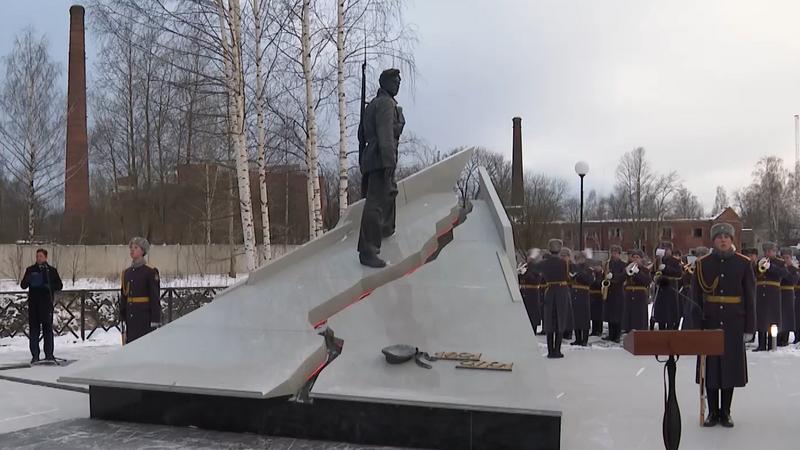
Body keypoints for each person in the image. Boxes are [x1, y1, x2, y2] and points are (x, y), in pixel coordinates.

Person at [688, 223, 755, 428]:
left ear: (732, 240)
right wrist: (695, 327)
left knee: (729, 368)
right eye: (719, 237)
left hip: (734, 323)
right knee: (711, 368)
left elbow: (750, 297)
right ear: (713, 240)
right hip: (710, 321)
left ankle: (725, 411)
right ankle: (712, 412)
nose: (723, 240)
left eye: (727, 237)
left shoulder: (743, 263)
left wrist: (749, 328)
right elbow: (695, 298)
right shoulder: (702, 264)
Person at [357, 68, 405, 268]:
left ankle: (386, 229)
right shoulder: (385, 104)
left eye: (399, 81)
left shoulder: (373, 105)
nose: (398, 84)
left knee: (389, 193)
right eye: (395, 81)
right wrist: (388, 160)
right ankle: (367, 251)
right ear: (384, 83)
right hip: (380, 158)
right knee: (376, 204)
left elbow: (361, 135)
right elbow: (386, 134)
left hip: (372, 158)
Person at [529, 239, 572, 358]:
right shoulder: (565, 263)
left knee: (549, 320)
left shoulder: (544, 263)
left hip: (549, 291)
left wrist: (532, 257)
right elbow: (578, 268)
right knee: (560, 319)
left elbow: (533, 267)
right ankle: (557, 350)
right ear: (560, 249)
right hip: (562, 291)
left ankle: (550, 351)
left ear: (549, 249)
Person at [20, 249, 63, 364]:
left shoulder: (51, 271)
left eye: (41, 256)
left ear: (45, 257)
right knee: (34, 330)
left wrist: (48, 286)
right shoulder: (30, 270)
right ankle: (35, 355)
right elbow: (23, 285)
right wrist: (29, 279)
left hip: (46, 304)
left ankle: (49, 354)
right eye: (37, 256)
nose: (38, 258)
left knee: (47, 329)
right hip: (34, 305)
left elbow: (59, 285)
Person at [120, 237, 161, 344]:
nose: (132, 250)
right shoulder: (126, 273)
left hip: (144, 318)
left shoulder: (150, 271)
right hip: (131, 318)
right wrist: (122, 315)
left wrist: (155, 320)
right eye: (131, 248)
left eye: (135, 247)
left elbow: (154, 297)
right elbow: (124, 296)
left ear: (143, 251)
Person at [754, 242, 787, 351]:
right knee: (761, 318)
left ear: (774, 251)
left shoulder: (780, 262)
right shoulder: (760, 261)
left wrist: (771, 267)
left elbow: (784, 274)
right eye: (766, 251)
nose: (768, 253)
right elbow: (754, 274)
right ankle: (761, 344)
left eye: (770, 251)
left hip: (773, 293)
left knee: (772, 318)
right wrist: (759, 267)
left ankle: (771, 343)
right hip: (760, 292)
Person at [652, 242, 684, 330]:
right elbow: (652, 272)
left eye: (667, 249)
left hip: (671, 288)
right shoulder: (657, 261)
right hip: (660, 288)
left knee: (670, 313)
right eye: (663, 249)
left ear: (670, 250)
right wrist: (655, 276)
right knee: (661, 314)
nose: (665, 251)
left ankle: (670, 330)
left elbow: (679, 273)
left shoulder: (675, 261)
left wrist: (666, 268)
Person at [621, 249, 651, 333]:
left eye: (637, 257)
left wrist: (638, 273)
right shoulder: (627, 267)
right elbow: (621, 279)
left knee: (639, 318)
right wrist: (626, 272)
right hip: (629, 296)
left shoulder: (645, 270)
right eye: (633, 257)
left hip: (640, 297)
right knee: (628, 317)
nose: (635, 259)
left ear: (641, 259)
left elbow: (647, 281)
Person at [602, 245, 627, 343]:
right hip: (609, 291)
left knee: (618, 314)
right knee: (610, 314)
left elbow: (623, 276)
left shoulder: (623, 264)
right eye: (612, 252)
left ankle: (617, 335)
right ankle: (611, 334)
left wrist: (613, 277)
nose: (614, 254)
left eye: (616, 252)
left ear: (619, 254)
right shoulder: (608, 264)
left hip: (618, 291)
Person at [570, 250, 595, 346]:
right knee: (576, 317)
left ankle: (584, 340)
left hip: (583, 294)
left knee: (584, 317)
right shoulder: (574, 268)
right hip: (574, 293)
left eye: (581, 258)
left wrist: (580, 274)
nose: (579, 260)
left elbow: (590, 280)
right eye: (578, 258)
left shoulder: (588, 269)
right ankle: (577, 339)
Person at [518, 250, 543, 335]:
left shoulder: (536, 268)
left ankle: (533, 330)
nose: (529, 258)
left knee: (533, 313)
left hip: (533, 293)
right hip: (524, 292)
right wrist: (520, 273)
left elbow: (536, 280)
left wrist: (526, 274)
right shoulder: (525, 266)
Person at [777, 248, 797, 347]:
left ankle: (785, 338)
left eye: (787, 258)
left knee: (787, 317)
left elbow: (794, 280)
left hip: (788, 294)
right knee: (779, 316)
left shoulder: (794, 269)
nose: (785, 260)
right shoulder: (779, 268)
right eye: (783, 258)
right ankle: (778, 337)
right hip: (779, 293)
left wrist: (785, 273)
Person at [588, 259, 605, 336]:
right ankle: (594, 330)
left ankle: (599, 330)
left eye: (598, 266)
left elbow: (600, 283)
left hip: (599, 295)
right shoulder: (592, 273)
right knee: (593, 314)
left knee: (599, 314)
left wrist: (595, 280)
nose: (596, 267)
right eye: (595, 266)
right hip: (592, 295)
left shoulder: (602, 274)